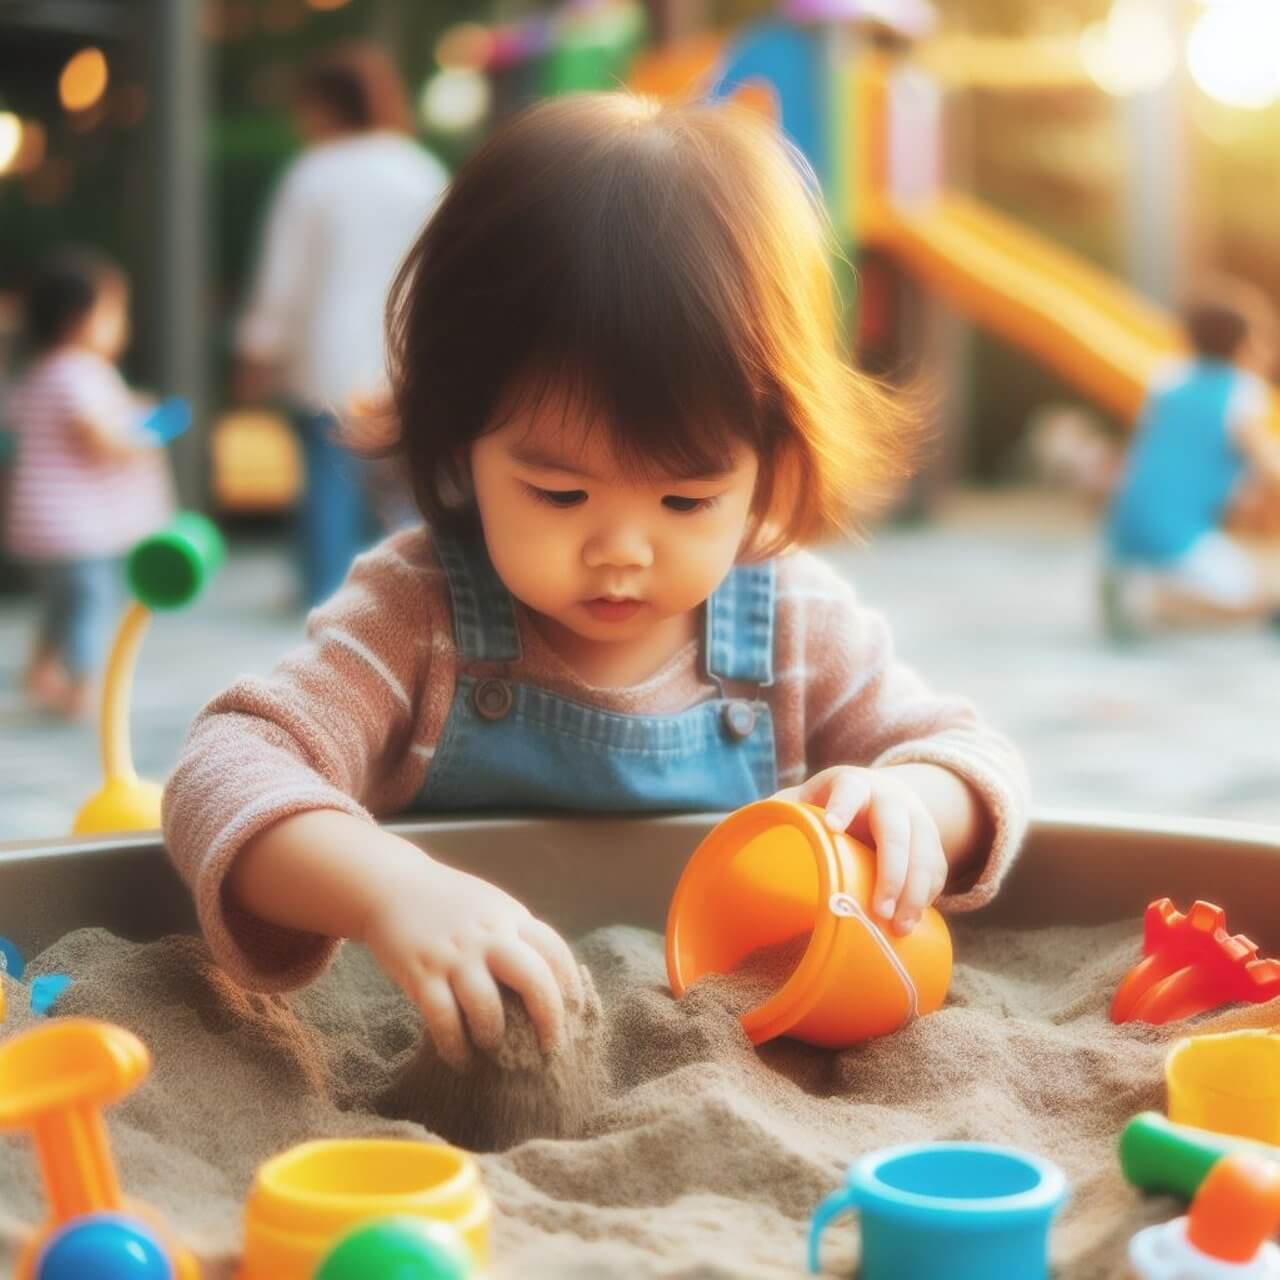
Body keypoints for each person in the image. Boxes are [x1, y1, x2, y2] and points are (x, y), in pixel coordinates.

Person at [164, 95, 1028, 1069]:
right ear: (459, 441)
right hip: (448, 1050)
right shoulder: (420, 615)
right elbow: (225, 763)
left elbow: (969, 754)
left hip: (735, 1053)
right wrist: (387, 889)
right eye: (560, 491)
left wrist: (912, 796)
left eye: (686, 499)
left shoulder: (788, 622)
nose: (621, 547)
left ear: (768, 461)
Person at [235, 42, 449, 607]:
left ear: (326, 105)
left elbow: (283, 279)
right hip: (400, 358)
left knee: (327, 484)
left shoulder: (314, 174)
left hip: (325, 362)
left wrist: (256, 353)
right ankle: (401, 605)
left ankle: (327, 607)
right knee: (399, 490)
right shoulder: (419, 170)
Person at [4, 249, 173, 720]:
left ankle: (39, 671)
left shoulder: (37, 375)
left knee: (59, 606)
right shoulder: (81, 372)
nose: (122, 324)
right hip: (77, 530)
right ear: (78, 319)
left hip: (38, 529)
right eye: (114, 311)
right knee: (90, 606)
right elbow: (101, 437)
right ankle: (81, 685)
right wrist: (146, 434)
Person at [1103, 278, 1280, 639]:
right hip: (1176, 537)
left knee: (1242, 578)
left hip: (1120, 534)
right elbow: (1269, 466)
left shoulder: (1168, 382)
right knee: (1259, 605)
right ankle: (1163, 605)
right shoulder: (1241, 392)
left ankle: (1145, 593)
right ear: (1245, 346)